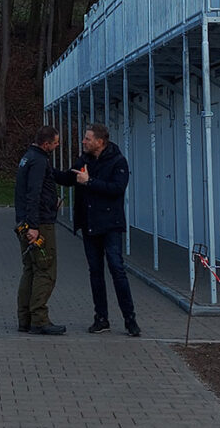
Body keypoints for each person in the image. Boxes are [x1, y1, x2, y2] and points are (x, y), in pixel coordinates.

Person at [71, 122, 140, 337]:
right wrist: (44, 168)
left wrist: (89, 181)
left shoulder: (118, 162)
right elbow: (69, 176)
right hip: (90, 225)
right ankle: (101, 318)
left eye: (88, 138)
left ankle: (130, 319)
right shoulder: (84, 161)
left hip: (110, 225)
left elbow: (117, 189)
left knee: (117, 269)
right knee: (95, 272)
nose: (84, 141)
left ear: (100, 142)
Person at [14, 123, 77, 335]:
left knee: (30, 270)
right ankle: (39, 319)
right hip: (39, 225)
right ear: (46, 143)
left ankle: (25, 318)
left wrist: (73, 176)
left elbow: (51, 178)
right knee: (46, 271)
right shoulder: (39, 161)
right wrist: (34, 227)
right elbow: (34, 193)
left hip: (25, 222)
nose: (58, 146)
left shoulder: (28, 158)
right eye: (56, 143)